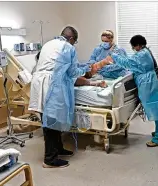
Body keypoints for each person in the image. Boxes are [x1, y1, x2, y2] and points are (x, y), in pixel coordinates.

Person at [28, 26, 110, 168]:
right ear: (71, 38)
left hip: (40, 82)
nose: (74, 45)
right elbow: (73, 73)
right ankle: (50, 159)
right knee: (51, 123)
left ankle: (58, 149)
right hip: (51, 84)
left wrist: (86, 68)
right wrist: (87, 69)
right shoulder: (68, 47)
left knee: (54, 120)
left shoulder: (49, 44)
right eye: (75, 41)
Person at [105, 35, 158, 147]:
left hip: (155, 82)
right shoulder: (145, 51)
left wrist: (113, 55)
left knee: (157, 111)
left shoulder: (142, 54)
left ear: (138, 45)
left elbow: (127, 63)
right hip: (157, 80)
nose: (133, 49)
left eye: (134, 47)